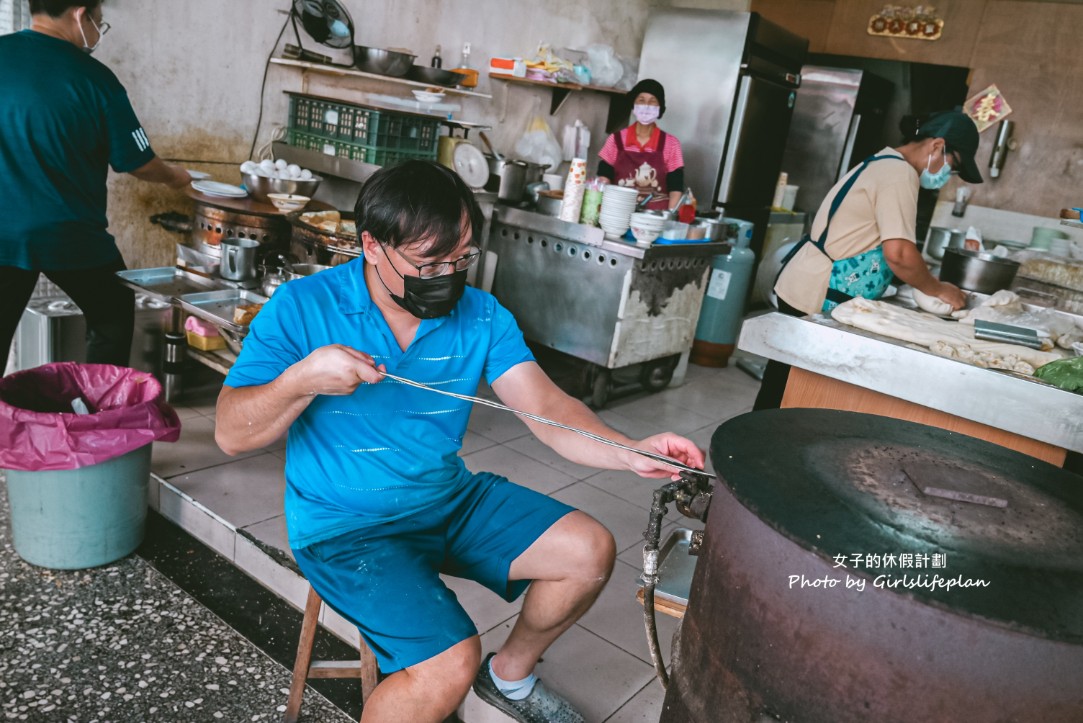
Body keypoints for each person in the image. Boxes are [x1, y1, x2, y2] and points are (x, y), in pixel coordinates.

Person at [214, 160, 705, 723]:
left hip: (446, 500)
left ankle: (509, 677)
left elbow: (548, 408)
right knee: (448, 663)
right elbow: (230, 432)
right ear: (371, 246)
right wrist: (302, 380)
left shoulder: (482, 316)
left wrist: (630, 450)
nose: (448, 275)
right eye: (428, 263)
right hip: (345, 527)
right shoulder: (303, 307)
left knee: (588, 550)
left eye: (461, 258)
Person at [0, 0, 192, 369]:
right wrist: (177, 178)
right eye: (98, 21)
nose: (97, 30)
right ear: (79, 14)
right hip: (69, 235)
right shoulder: (95, 79)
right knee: (111, 314)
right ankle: (98, 403)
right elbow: (137, 162)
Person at [754, 110, 983, 411]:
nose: (947, 177)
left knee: (784, 385)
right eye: (953, 167)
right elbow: (899, 254)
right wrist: (938, 289)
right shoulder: (900, 174)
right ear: (938, 146)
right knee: (791, 391)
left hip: (810, 282)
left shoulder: (884, 161)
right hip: (819, 291)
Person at [597, 78, 685, 211]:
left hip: (655, 216)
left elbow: (676, 189)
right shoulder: (616, 140)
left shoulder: (671, 144)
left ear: (660, 108)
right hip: (619, 212)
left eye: (652, 101)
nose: (647, 106)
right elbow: (604, 179)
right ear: (633, 105)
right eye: (641, 100)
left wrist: (669, 217)